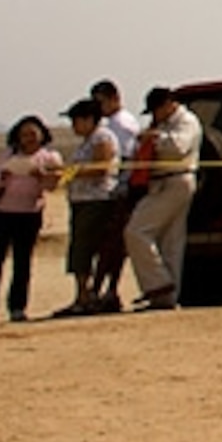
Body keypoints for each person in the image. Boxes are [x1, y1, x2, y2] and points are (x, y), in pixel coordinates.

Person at [122, 86, 203, 312]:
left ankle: (158, 284)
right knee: (170, 241)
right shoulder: (162, 124)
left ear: (168, 105)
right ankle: (166, 297)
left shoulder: (187, 121)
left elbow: (178, 147)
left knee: (136, 231)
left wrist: (154, 139)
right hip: (160, 181)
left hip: (176, 180)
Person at [0, 115, 64, 323]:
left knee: (22, 262)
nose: (29, 138)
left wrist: (40, 175)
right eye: (25, 134)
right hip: (4, 212)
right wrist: (5, 174)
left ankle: (17, 307)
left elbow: (53, 186)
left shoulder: (50, 157)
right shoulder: (8, 154)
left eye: (33, 133)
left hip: (30, 213)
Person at [54, 99, 125, 316]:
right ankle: (83, 294)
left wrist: (71, 173)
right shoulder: (86, 141)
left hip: (97, 200)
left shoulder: (102, 138)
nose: (74, 126)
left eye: (76, 121)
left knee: (86, 247)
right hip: (82, 200)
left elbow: (100, 168)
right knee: (80, 248)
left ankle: (90, 294)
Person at [88, 80, 145, 313]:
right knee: (112, 245)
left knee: (111, 245)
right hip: (120, 188)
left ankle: (104, 290)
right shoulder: (121, 123)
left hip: (119, 189)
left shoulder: (118, 125)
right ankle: (105, 290)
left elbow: (122, 157)